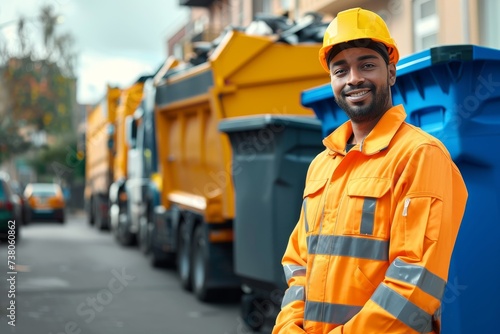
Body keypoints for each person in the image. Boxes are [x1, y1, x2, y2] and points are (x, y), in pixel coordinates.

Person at [272, 7, 468, 334]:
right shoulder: (323, 164)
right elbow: (298, 263)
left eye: (367, 65)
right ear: (332, 81)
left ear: (391, 73)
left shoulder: (420, 155)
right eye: (341, 70)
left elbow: (415, 284)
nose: (354, 79)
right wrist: (288, 326)